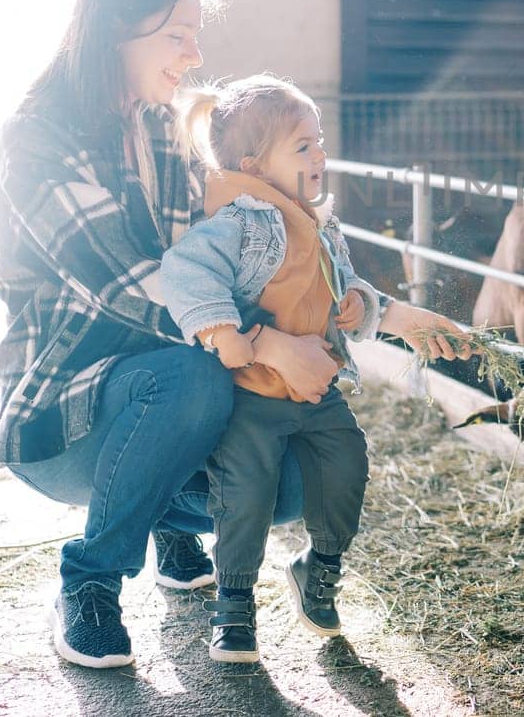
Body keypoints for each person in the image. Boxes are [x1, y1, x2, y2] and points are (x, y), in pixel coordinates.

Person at [0, 0, 345, 669]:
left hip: (174, 379)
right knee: (191, 377)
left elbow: (220, 261)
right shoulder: (35, 140)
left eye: (194, 32)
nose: (194, 51)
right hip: (68, 410)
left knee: (292, 477)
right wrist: (269, 344)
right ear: (118, 27)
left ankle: (164, 525)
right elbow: (129, 285)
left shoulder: (164, 130)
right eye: (176, 34)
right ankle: (89, 579)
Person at [161, 74, 466, 662]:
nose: (320, 155)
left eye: (320, 141)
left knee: (349, 462)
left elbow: (340, 286)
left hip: (316, 389)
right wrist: (222, 330)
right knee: (245, 492)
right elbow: (185, 271)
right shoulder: (240, 221)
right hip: (252, 393)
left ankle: (319, 566)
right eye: (303, 146)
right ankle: (234, 604)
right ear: (254, 165)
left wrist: (358, 303)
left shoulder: (320, 224)